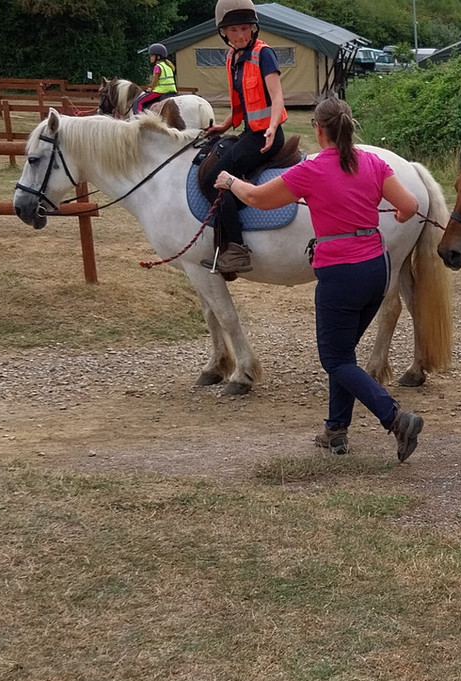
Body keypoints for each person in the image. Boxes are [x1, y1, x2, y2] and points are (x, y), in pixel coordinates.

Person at [213, 97, 426, 463]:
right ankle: (336, 430)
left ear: (317, 129)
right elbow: (408, 208)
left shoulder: (310, 170)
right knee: (343, 354)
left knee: (335, 359)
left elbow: (258, 199)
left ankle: (395, 418)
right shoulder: (373, 162)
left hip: (340, 272)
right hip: (377, 267)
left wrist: (230, 180)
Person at [202, 0, 288, 275]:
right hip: (250, 132)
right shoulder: (233, 58)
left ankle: (237, 249)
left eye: (245, 28)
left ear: (253, 28)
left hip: (267, 136)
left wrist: (273, 126)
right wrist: (225, 125)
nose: (241, 34)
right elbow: (241, 103)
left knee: (214, 179)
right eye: (234, 29)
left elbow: (277, 96)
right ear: (224, 32)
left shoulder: (264, 54)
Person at [134, 43, 177, 114]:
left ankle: (138, 118)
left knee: (138, 102)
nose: (150, 57)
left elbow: (155, 81)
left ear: (158, 57)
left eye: (152, 55)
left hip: (161, 91)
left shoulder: (158, 66)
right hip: (172, 90)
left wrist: (151, 88)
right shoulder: (169, 66)